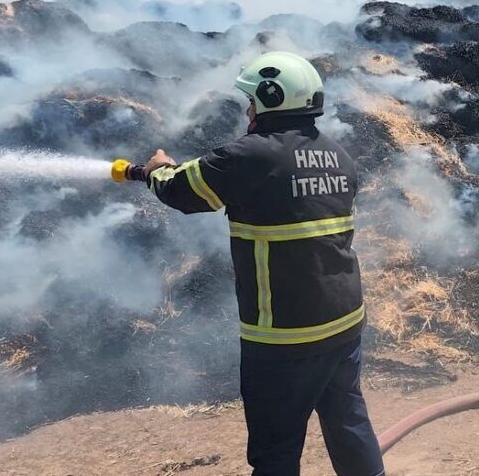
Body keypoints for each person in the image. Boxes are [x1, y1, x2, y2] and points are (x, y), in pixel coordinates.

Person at [139, 51, 385, 476]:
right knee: (349, 424)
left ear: (272, 98)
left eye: (252, 101)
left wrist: (155, 170)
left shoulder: (252, 155)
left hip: (285, 334)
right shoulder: (337, 155)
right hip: (344, 322)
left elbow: (180, 190)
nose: (248, 110)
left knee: (276, 451)